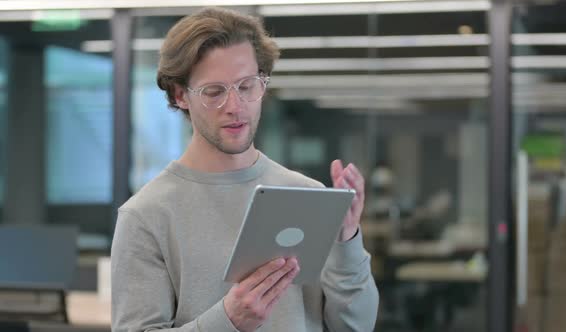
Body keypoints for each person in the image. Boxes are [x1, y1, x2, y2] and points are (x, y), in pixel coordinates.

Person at [111, 7, 379, 332]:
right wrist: (228, 321)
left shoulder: (308, 195)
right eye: (214, 92)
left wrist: (347, 239)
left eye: (247, 86)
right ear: (180, 95)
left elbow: (357, 326)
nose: (235, 107)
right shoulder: (145, 217)